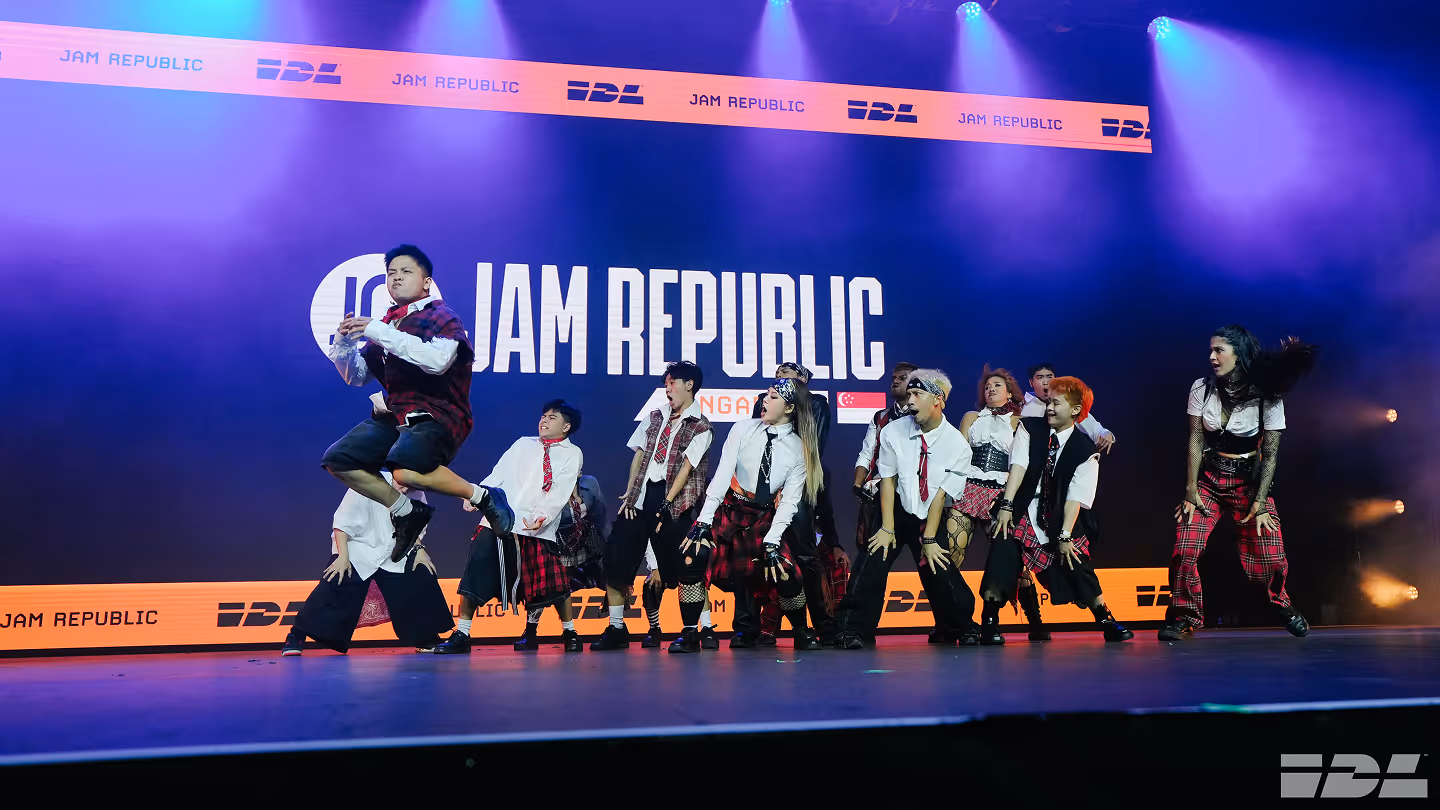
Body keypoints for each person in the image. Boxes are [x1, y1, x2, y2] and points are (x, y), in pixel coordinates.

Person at [322, 245, 510, 560]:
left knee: (405, 472)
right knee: (339, 459)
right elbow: (357, 376)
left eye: (406, 271)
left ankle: (484, 496)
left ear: (426, 282)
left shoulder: (442, 317)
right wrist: (343, 344)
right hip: (396, 416)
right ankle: (407, 512)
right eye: (391, 273)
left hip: (437, 415)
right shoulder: (388, 322)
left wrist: (376, 330)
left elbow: (436, 361)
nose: (396, 278)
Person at [1160, 326, 1318, 640]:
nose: (1211, 357)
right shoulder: (1202, 388)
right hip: (1208, 482)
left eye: (1219, 350)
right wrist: (1190, 490)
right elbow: (1195, 439)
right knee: (1184, 549)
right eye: (1210, 350)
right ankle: (1184, 617)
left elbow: (1270, 454)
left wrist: (1260, 503)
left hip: (1249, 484)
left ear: (1239, 354)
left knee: (1270, 558)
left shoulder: (1268, 396)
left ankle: (1280, 603)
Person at [674, 377, 825, 652]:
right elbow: (721, 476)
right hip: (729, 509)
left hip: (763, 516)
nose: (765, 400)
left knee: (786, 571)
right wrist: (704, 520)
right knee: (692, 555)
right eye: (767, 394)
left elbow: (790, 501)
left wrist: (773, 539)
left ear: (790, 408)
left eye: (774, 397)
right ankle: (689, 633)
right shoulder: (743, 428)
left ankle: (802, 632)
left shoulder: (799, 449)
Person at [833, 369, 979, 650]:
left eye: (916, 394)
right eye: (909, 393)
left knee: (938, 566)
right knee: (872, 560)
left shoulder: (957, 445)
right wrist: (887, 527)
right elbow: (888, 480)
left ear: (937, 399)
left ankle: (960, 627)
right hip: (894, 506)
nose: (909, 400)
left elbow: (940, 494)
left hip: (929, 513)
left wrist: (930, 539)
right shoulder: (893, 431)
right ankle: (852, 629)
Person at [986, 377, 1132, 643]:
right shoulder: (1030, 428)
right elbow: (1018, 466)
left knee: (1076, 562)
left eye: (1056, 403)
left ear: (1076, 409)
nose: (1050, 408)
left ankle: (1106, 620)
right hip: (1022, 507)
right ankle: (989, 622)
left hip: (1059, 515)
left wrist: (1065, 535)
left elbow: (1076, 497)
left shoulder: (1085, 450)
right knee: (1002, 554)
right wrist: (1006, 506)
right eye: (1049, 402)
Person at [434, 400, 583, 654]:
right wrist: (476, 496)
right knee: (475, 571)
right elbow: (498, 474)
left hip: (537, 526)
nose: (544, 421)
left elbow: (560, 490)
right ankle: (462, 634)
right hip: (499, 518)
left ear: (566, 426)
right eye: (543, 416)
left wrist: (541, 517)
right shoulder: (522, 444)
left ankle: (568, 632)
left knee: (551, 584)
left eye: (552, 417)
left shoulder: (573, 453)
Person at [591, 361, 715, 651]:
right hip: (641, 497)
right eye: (666, 383)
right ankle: (617, 628)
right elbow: (640, 453)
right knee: (617, 559)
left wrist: (667, 503)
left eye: (672, 382)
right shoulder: (655, 416)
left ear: (689, 385)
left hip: (674, 501)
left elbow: (686, 468)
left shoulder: (701, 426)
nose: (667, 388)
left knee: (687, 566)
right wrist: (631, 491)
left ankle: (697, 630)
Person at [283, 471, 453, 655]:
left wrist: (419, 550)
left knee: (421, 572)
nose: (405, 490)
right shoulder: (367, 482)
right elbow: (342, 524)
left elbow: (415, 526)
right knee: (336, 579)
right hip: (357, 548)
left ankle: (426, 637)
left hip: (393, 550)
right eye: (403, 485)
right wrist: (342, 557)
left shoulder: (416, 492)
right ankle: (297, 634)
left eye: (409, 487)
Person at [948, 366, 1051, 641]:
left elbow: (1024, 461)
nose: (990, 389)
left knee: (1011, 559)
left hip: (1001, 493)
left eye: (996, 385)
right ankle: (952, 621)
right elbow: (958, 453)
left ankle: (1033, 621)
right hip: (968, 487)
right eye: (987, 386)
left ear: (1009, 392)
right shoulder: (971, 417)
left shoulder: (1021, 421)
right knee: (951, 552)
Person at [749, 362, 846, 647]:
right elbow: (756, 440)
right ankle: (754, 627)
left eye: (786, 373)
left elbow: (814, 446)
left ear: (802, 379)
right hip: (764, 485)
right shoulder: (762, 400)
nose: (778, 377)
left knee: (805, 555)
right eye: (776, 374)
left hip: (799, 483)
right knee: (756, 554)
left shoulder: (816, 404)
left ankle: (822, 625)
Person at [849, 361, 919, 642]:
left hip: (917, 501)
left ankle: (954, 627)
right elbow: (867, 452)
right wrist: (859, 482)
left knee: (932, 564)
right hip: (883, 498)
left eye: (903, 377)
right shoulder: (881, 417)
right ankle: (858, 629)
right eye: (894, 377)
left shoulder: (926, 414)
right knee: (872, 565)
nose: (896, 381)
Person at [1022, 363, 1116, 454]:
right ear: (1031, 383)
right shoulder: (1022, 406)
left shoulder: (1067, 403)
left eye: (1049, 377)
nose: (1046, 382)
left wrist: (1105, 434)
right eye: (1040, 378)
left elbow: (1095, 428)